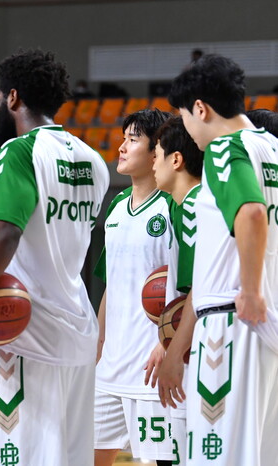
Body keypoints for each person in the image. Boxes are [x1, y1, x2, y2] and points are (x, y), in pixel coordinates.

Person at [0, 49, 110, 465]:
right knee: (71, 458)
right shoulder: (93, 161)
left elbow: (5, 230)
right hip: (78, 329)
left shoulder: (20, 152)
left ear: (13, 97)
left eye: (0, 97)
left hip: (27, 331)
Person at [164, 53, 278, 465]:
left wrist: (250, 290)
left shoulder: (225, 149)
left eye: (184, 117)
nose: (187, 130)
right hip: (266, 328)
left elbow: (252, 213)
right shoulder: (272, 148)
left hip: (233, 325)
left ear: (200, 108)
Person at [94, 109, 176, 466]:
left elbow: (187, 286)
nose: (122, 147)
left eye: (133, 139)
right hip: (109, 368)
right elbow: (111, 286)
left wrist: (168, 343)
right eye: (123, 138)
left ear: (157, 149)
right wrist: (98, 346)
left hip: (152, 368)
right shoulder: (115, 207)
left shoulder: (174, 206)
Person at [146, 115, 204, 466]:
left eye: (156, 155)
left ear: (176, 160)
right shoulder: (180, 204)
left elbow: (199, 291)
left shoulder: (195, 208)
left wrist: (173, 351)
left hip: (201, 350)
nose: (153, 164)